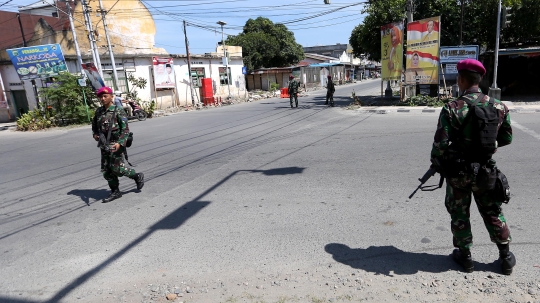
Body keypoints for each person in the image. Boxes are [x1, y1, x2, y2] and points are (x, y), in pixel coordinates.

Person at [430, 59, 515, 275]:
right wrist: (488, 145)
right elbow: (506, 138)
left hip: (459, 172)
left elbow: (440, 144)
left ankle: (465, 256)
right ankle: (505, 257)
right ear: (480, 79)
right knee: (492, 211)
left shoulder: (452, 108)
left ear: (461, 79)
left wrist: (438, 161)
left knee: (459, 212)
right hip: (486, 170)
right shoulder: (499, 106)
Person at [92, 86, 144, 203]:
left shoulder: (118, 110)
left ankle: (136, 176)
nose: (103, 99)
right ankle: (115, 191)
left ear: (111, 97)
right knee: (106, 170)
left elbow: (125, 129)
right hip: (104, 145)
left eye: (105, 96)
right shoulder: (99, 111)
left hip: (116, 144)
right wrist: (95, 134)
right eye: (101, 97)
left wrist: (120, 143)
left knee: (118, 168)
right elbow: (94, 125)